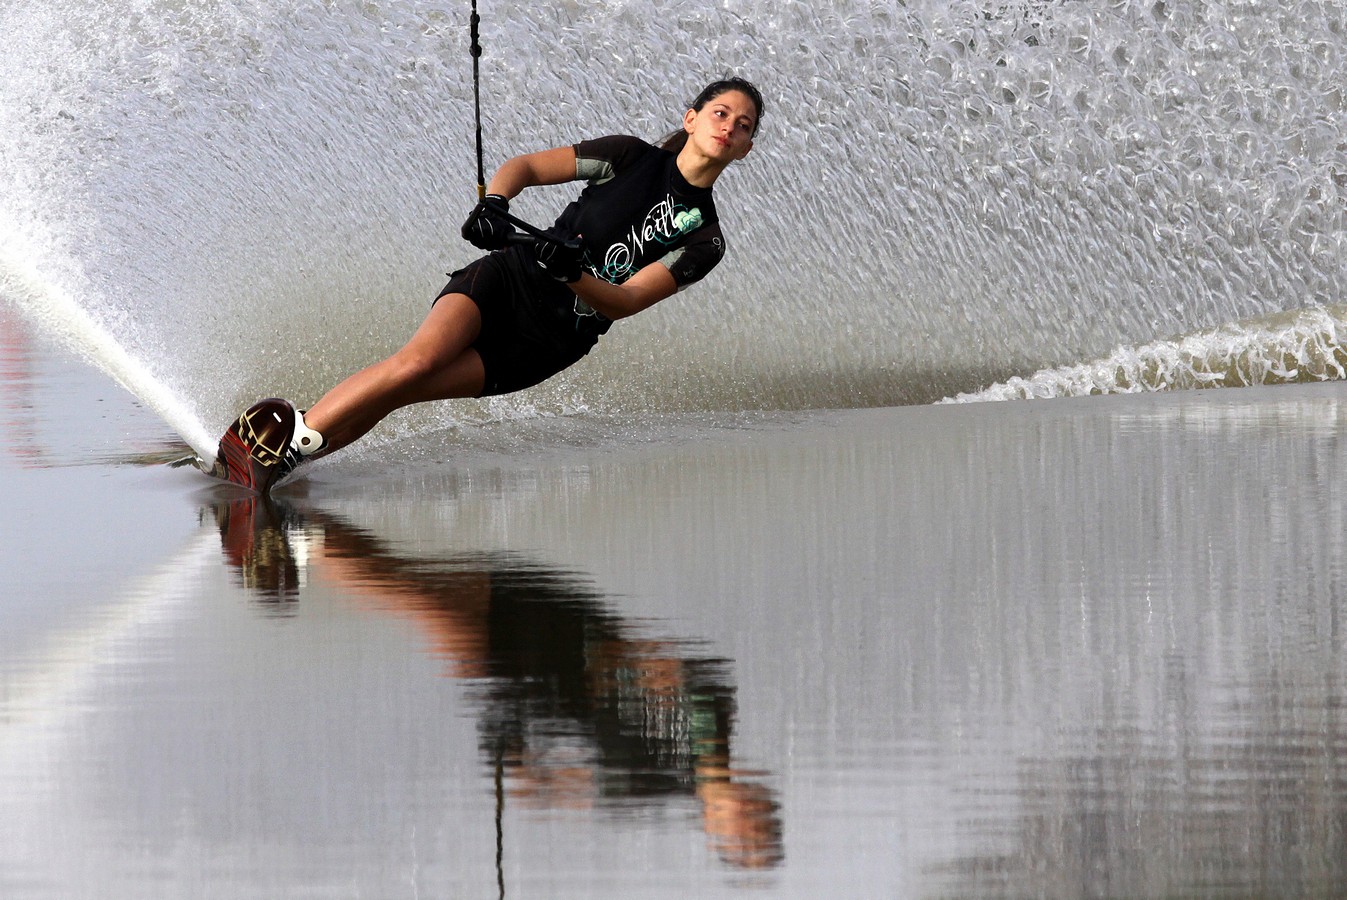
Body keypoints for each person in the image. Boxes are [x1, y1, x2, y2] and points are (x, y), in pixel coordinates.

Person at [220, 76, 760, 488]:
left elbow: (624, 301)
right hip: (510, 278)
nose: (729, 126)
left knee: (402, 393)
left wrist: (572, 274)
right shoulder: (627, 156)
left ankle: (282, 461)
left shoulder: (704, 241)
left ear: (745, 149)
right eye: (720, 112)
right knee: (415, 364)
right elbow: (523, 167)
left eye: (743, 125)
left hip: (549, 342)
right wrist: (496, 203)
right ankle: (286, 448)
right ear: (690, 119)